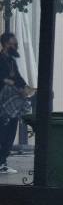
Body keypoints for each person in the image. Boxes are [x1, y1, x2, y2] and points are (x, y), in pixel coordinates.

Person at [0, 31, 34, 174]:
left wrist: (26, 88)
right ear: (7, 44)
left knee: (11, 129)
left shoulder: (12, 61)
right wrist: (8, 82)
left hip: (13, 101)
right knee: (4, 131)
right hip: (4, 100)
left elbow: (18, 78)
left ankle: (2, 161)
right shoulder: (1, 60)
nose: (16, 46)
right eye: (14, 44)